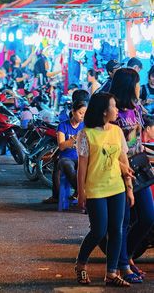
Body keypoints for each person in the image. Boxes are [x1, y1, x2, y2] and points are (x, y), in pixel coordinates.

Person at [74, 93, 134, 287]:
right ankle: (81, 264)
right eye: (114, 106)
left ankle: (112, 272)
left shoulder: (116, 131)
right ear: (103, 111)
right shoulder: (86, 134)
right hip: (95, 190)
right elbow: (82, 166)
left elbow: (124, 162)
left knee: (117, 230)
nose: (117, 110)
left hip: (117, 188)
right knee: (99, 231)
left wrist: (129, 189)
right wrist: (81, 192)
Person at [109, 68, 154, 282]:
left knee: (148, 217)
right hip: (119, 171)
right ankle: (123, 264)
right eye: (137, 82)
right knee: (123, 220)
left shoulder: (136, 107)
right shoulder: (110, 108)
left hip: (139, 168)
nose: (140, 85)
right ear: (129, 85)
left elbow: (141, 133)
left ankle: (127, 256)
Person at [57, 100, 87, 193]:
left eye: (84, 113)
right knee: (68, 166)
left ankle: (82, 193)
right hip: (66, 158)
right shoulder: (63, 125)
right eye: (80, 113)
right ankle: (81, 191)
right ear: (73, 112)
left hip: (81, 157)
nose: (82, 116)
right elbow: (61, 146)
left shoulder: (85, 126)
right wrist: (75, 137)